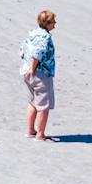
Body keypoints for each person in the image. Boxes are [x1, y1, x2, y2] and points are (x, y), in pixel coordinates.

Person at [20, 10, 57, 141]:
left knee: (32, 103)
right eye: (53, 22)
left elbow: (22, 50)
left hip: (27, 73)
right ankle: (40, 135)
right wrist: (33, 68)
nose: (55, 24)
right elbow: (38, 53)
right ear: (47, 23)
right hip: (40, 74)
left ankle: (30, 130)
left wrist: (27, 67)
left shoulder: (32, 33)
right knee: (43, 106)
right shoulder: (45, 37)